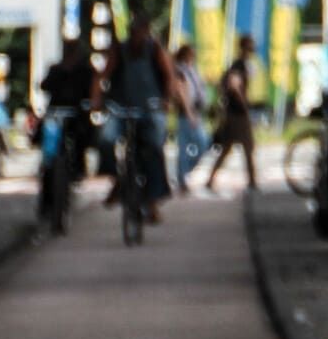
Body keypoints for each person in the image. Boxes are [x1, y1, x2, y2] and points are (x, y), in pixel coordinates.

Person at [94, 15, 181, 219]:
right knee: (106, 139)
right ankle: (116, 179)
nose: (138, 37)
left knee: (154, 147)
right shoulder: (119, 50)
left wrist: (167, 100)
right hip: (121, 108)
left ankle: (152, 201)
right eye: (134, 33)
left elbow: (169, 76)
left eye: (141, 33)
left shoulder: (155, 50)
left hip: (150, 107)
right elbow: (103, 75)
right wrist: (97, 100)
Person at [200, 35, 259, 190]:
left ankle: (211, 180)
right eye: (251, 46)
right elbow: (234, 86)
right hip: (237, 113)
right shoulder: (239, 64)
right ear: (245, 47)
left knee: (229, 148)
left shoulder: (239, 64)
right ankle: (252, 181)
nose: (253, 49)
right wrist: (244, 104)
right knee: (247, 146)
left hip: (233, 112)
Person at [38, 41, 99, 184]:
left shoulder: (85, 71)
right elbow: (44, 85)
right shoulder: (56, 69)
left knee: (82, 136)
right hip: (56, 114)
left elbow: (92, 92)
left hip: (77, 115)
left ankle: (78, 169)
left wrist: (90, 105)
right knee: (48, 137)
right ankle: (48, 168)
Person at [170, 41, 210, 190]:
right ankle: (182, 175)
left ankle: (182, 174)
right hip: (187, 112)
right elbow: (182, 93)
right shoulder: (180, 71)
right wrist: (189, 113)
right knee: (198, 143)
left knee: (192, 144)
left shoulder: (191, 69)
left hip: (195, 111)